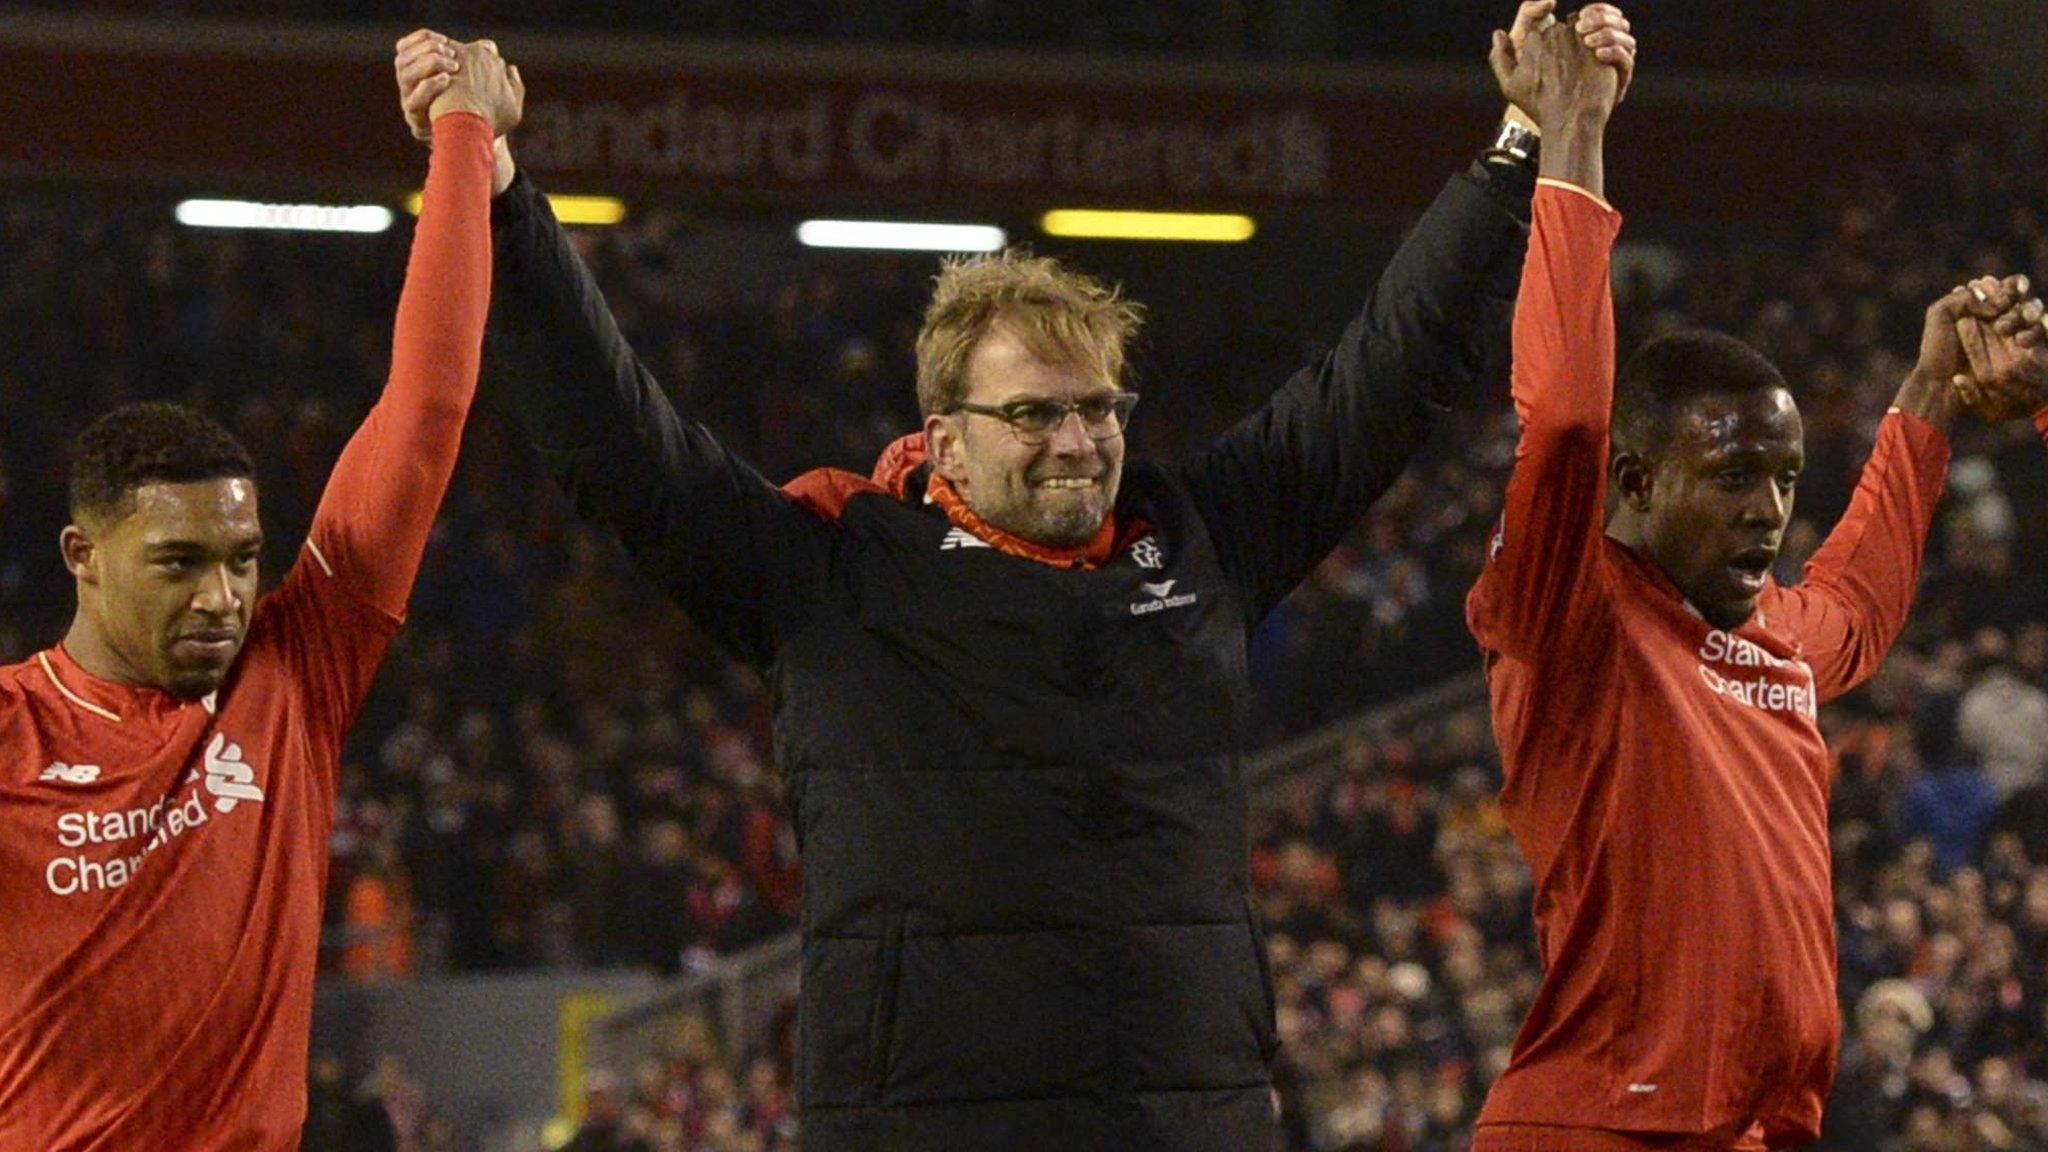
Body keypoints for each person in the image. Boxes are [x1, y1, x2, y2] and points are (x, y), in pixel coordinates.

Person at [392, 8, 1635, 1149]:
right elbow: (623, 447)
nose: (1080, 441)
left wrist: (1523, 139)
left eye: (1099, 408)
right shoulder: (826, 573)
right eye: (1035, 414)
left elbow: (1382, 376)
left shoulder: (1196, 538)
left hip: (1178, 1122)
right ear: (944, 438)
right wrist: (500, 195)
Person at [1466, 18, 2048, 1152]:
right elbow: (1567, 415)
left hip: (1757, 1128)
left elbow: (1857, 608)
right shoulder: (1570, 613)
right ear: (1631, 480)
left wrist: (1927, 395)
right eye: (1731, 476)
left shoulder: (1769, 633)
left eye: (1782, 478)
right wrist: (1572, 132)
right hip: (1600, 1127)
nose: (1767, 509)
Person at [0, 41, 523, 1150]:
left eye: (241, 558)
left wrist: (462, 141)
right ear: (81, 555)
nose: (225, 597)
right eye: (179, 563)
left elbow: (427, 409)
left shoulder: (294, 674)